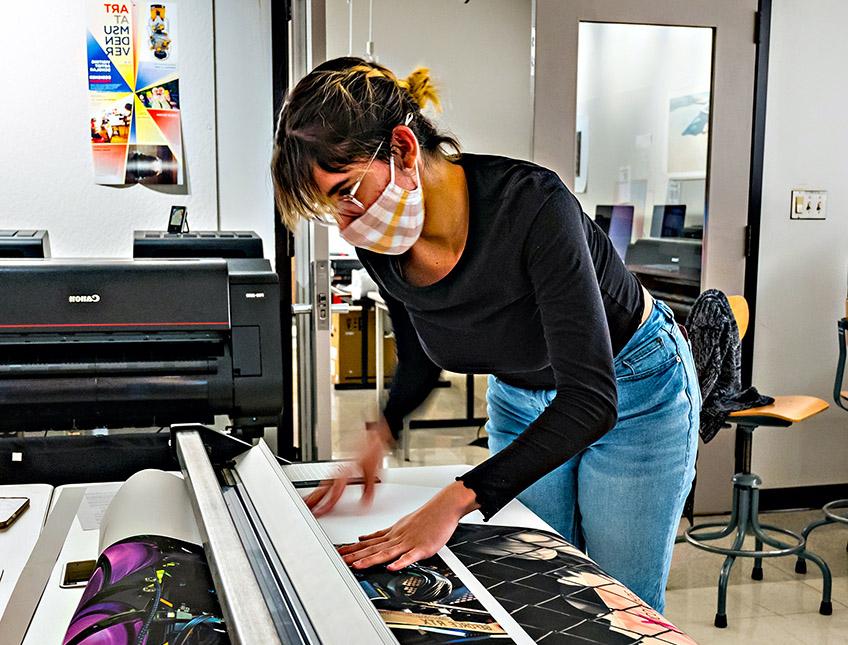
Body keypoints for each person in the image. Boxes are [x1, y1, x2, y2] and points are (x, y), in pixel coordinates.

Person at [271, 57, 700, 613]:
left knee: (619, 608)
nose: (347, 223)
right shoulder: (380, 242)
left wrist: (454, 500)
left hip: (633, 388)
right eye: (331, 207)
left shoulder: (534, 206)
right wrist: (379, 435)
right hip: (523, 395)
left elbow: (591, 401)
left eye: (347, 190)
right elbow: (424, 359)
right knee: (537, 590)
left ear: (402, 151)